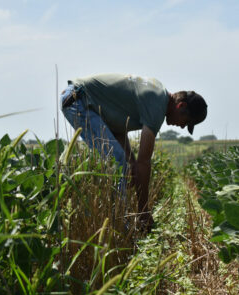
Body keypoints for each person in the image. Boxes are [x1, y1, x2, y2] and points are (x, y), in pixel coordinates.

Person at [60, 73, 207, 229]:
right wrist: (143, 211)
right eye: (186, 122)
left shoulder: (157, 95)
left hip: (81, 99)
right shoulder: (157, 105)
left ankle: (117, 222)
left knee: (123, 163)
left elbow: (117, 128)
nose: (183, 127)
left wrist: (131, 163)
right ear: (181, 106)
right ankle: (119, 226)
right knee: (116, 163)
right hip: (78, 100)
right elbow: (144, 162)